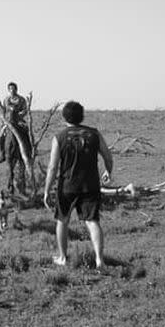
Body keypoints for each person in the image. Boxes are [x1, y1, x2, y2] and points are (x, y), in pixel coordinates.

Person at [43, 100, 113, 269]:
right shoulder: (94, 134)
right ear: (82, 116)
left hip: (67, 186)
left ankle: (62, 258)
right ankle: (99, 260)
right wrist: (108, 172)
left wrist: (46, 190)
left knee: (62, 221)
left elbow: (52, 167)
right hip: (91, 185)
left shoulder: (59, 137)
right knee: (92, 221)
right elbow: (107, 156)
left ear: (64, 117)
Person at [0, 82, 31, 197]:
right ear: (8, 90)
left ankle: (29, 150)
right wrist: (4, 121)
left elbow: (25, 110)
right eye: (10, 89)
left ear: (16, 89)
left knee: (26, 131)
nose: (12, 90)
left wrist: (19, 114)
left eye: (13, 88)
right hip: (9, 122)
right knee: (0, 136)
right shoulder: (6, 100)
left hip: (19, 120)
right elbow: (3, 111)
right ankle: (2, 153)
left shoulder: (21, 100)